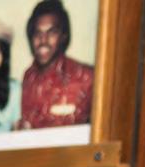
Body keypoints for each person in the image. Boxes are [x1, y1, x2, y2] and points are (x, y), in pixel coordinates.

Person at [19, 1, 94, 131]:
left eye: (51, 32)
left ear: (63, 36)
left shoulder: (87, 77)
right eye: (37, 33)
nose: (43, 40)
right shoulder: (28, 77)